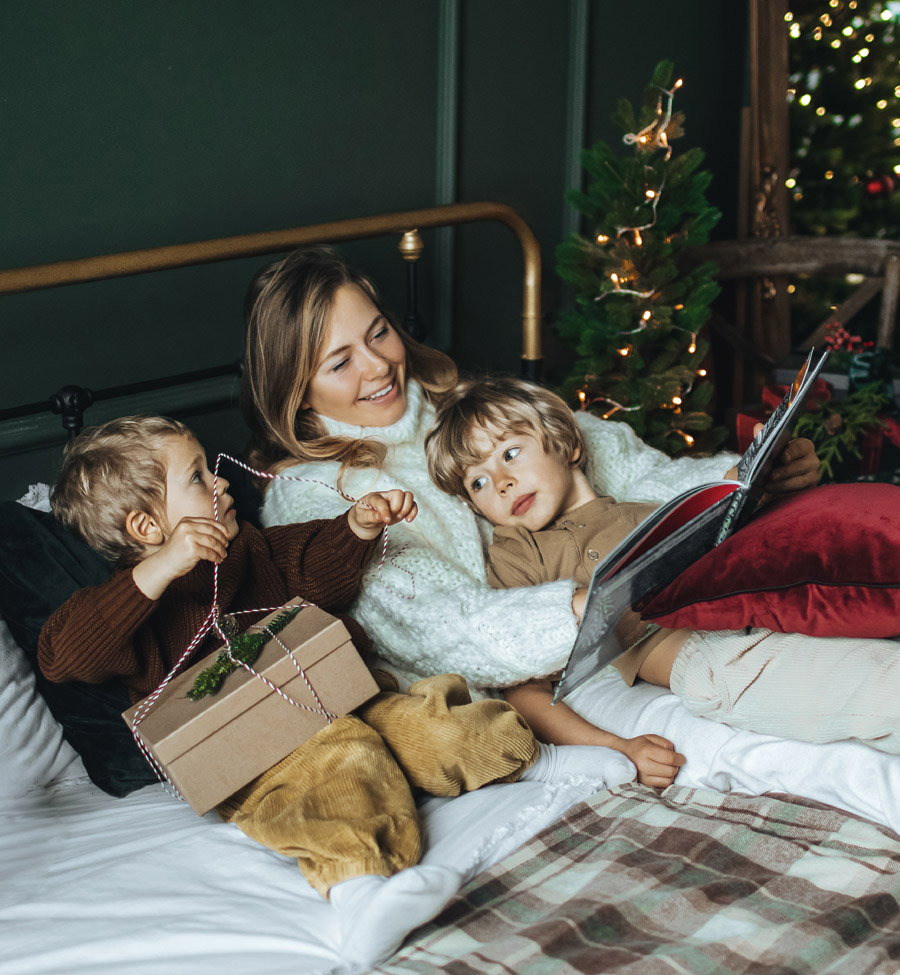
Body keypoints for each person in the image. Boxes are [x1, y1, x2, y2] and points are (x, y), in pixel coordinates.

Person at [37, 415, 635, 970]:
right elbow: (65, 654)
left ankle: (537, 759)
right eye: (196, 477)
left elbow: (314, 567)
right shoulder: (127, 608)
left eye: (210, 468)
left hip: (338, 696)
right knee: (339, 762)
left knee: (433, 720)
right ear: (145, 527)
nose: (219, 483)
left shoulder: (248, 548)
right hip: (260, 755)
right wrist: (161, 569)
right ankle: (360, 893)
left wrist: (358, 526)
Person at [242, 246, 821, 700]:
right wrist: (572, 609)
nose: (378, 366)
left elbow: (630, 472)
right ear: (295, 390)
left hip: (609, 614)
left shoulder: (459, 403)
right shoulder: (312, 496)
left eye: (378, 333)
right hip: (511, 682)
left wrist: (743, 475)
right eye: (341, 362)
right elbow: (433, 628)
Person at [424, 375, 900, 754]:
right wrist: (614, 746)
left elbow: (727, 528)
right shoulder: (517, 552)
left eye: (510, 454)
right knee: (878, 693)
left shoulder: (643, 511)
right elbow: (523, 687)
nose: (502, 482)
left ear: (566, 444)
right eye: (478, 483)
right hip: (710, 659)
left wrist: (764, 469)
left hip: (763, 613)